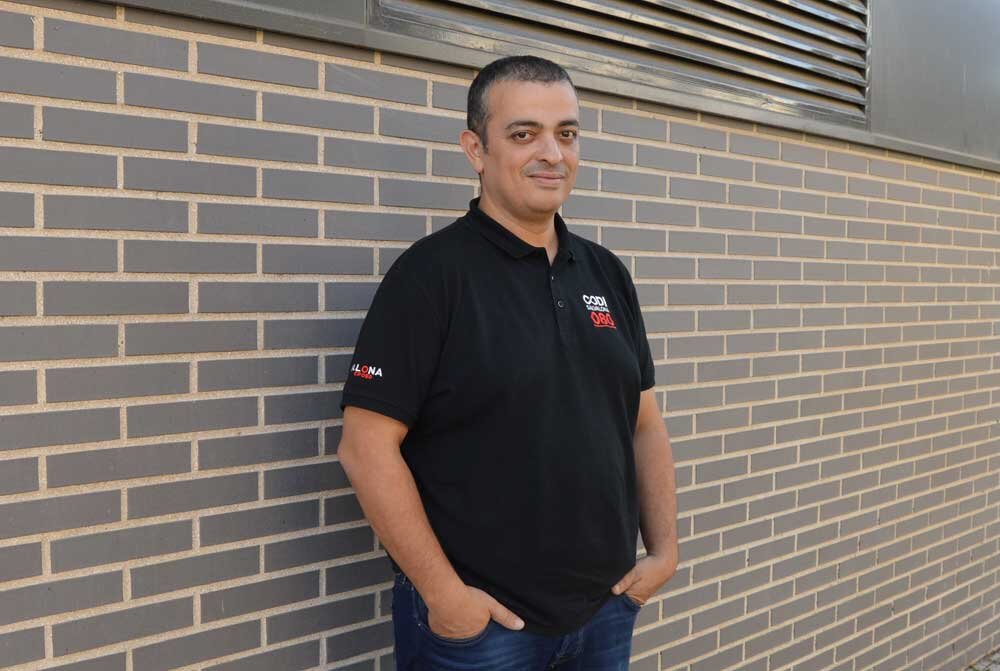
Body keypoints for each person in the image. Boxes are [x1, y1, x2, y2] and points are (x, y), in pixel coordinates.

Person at [337, 55, 678, 670]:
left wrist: (664, 552)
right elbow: (366, 448)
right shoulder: (431, 276)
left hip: (604, 610)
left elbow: (644, 423)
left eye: (566, 134)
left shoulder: (606, 273)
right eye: (524, 134)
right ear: (476, 149)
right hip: (482, 630)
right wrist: (446, 597)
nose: (552, 153)